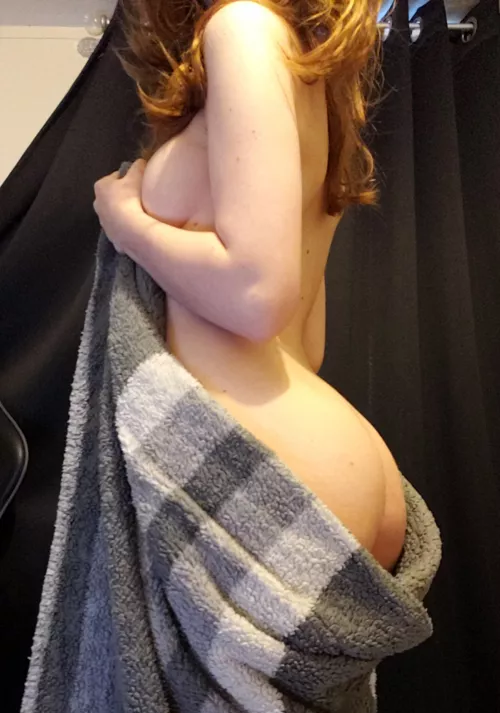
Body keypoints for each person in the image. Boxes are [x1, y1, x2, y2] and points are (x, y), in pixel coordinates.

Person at [93, 0, 407, 572]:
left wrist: (127, 225)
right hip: (310, 445)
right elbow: (306, 343)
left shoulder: (242, 26)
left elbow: (257, 296)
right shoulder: (309, 75)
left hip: (262, 458)